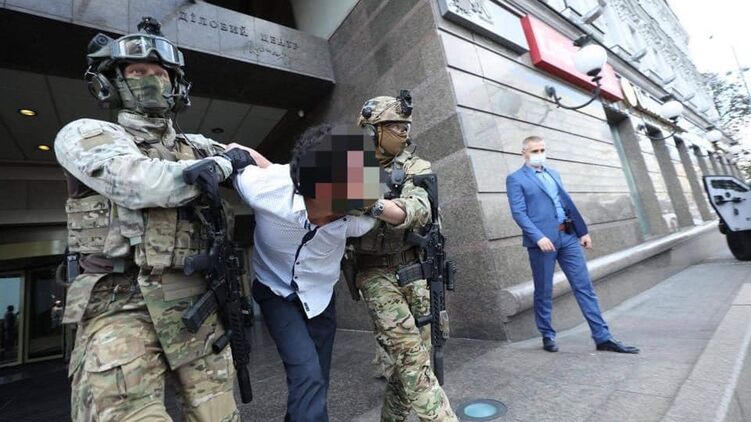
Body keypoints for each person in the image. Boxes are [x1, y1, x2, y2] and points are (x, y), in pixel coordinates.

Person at [55, 18, 259, 421]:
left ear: (176, 85)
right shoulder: (85, 133)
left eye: (160, 73)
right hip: (119, 307)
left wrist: (358, 184)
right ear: (112, 83)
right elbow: (139, 183)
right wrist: (221, 165)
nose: (151, 80)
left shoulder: (196, 146)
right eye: (137, 72)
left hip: (197, 304)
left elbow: (266, 172)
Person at [230, 124, 381, 422]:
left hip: (321, 295)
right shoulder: (265, 191)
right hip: (275, 291)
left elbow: (391, 211)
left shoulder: (361, 218)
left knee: (316, 378)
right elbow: (236, 151)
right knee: (307, 374)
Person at [352, 92, 458, 421]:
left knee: (416, 358)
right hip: (374, 273)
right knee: (410, 355)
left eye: (406, 126)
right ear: (372, 131)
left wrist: (372, 203)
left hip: (415, 267)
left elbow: (419, 208)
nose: (404, 132)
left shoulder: (415, 165)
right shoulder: (350, 165)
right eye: (396, 126)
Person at [505, 136, 639, 354]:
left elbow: (565, 204)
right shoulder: (515, 179)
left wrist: (582, 231)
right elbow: (519, 213)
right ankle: (547, 334)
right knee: (544, 290)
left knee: (584, 286)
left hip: (567, 237)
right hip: (542, 243)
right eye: (535, 151)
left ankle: (603, 337)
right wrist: (538, 237)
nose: (540, 154)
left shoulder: (553, 173)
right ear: (524, 153)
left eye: (542, 150)